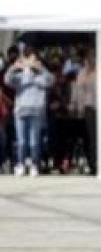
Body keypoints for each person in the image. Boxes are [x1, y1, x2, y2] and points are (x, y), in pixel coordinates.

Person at [4, 47, 54, 176]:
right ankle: (20, 164)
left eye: (33, 59)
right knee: (21, 141)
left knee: (34, 141)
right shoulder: (20, 77)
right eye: (28, 59)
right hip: (20, 112)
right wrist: (14, 67)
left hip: (36, 111)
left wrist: (40, 67)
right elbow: (7, 80)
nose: (30, 62)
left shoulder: (42, 76)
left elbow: (50, 80)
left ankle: (34, 165)